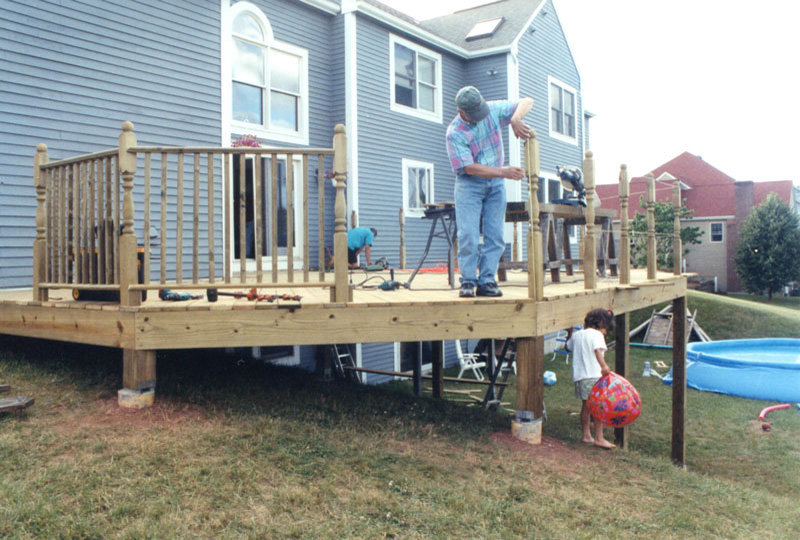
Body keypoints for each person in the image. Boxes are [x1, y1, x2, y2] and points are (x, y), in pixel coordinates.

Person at [445, 86, 534, 297]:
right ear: (461, 113)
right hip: (469, 185)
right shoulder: (454, 133)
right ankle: (467, 281)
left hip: (495, 185)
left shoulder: (492, 110)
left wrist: (515, 119)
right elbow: (469, 167)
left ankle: (487, 281)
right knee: (468, 234)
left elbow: (527, 101)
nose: (481, 117)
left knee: (495, 234)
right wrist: (503, 172)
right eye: (474, 115)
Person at [566, 308, 616, 449]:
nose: (605, 331)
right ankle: (599, 438)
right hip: (594, 376)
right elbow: (597, 350)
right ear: (600, 323)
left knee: (586, 407)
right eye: (606, 327)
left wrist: (569, 332)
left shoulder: (576, 335)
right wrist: (604, 366)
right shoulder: (597, 334)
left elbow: (568, 347)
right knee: (598, 407)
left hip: (580, 377)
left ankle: (586, 435)